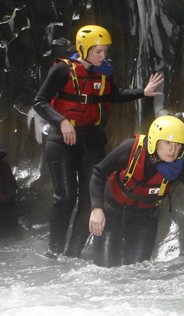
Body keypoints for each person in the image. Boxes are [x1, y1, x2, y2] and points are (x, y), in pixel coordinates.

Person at [33, 24, 164, 257]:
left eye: (105, 51)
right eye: (98, 52)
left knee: (89, 200)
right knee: (65, 197)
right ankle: (54, 252)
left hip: (91, 139)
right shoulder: (63, 70)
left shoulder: (104, 71)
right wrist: (61, 121)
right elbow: (40, 101)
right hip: (61, 139)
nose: (103, 56)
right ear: (83, 49)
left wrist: (142, 92)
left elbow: (113, 95)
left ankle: (72, 254)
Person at [88, 115, 184, 267]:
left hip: (144, 218)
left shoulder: (181, 167)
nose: (173, 150)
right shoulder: (132, 149)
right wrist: (97, 208)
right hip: (111, 212)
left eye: (178, 145)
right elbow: (99, 173)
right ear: (154, 141)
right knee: (105, 270)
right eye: (167, 143)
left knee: (135, 273)